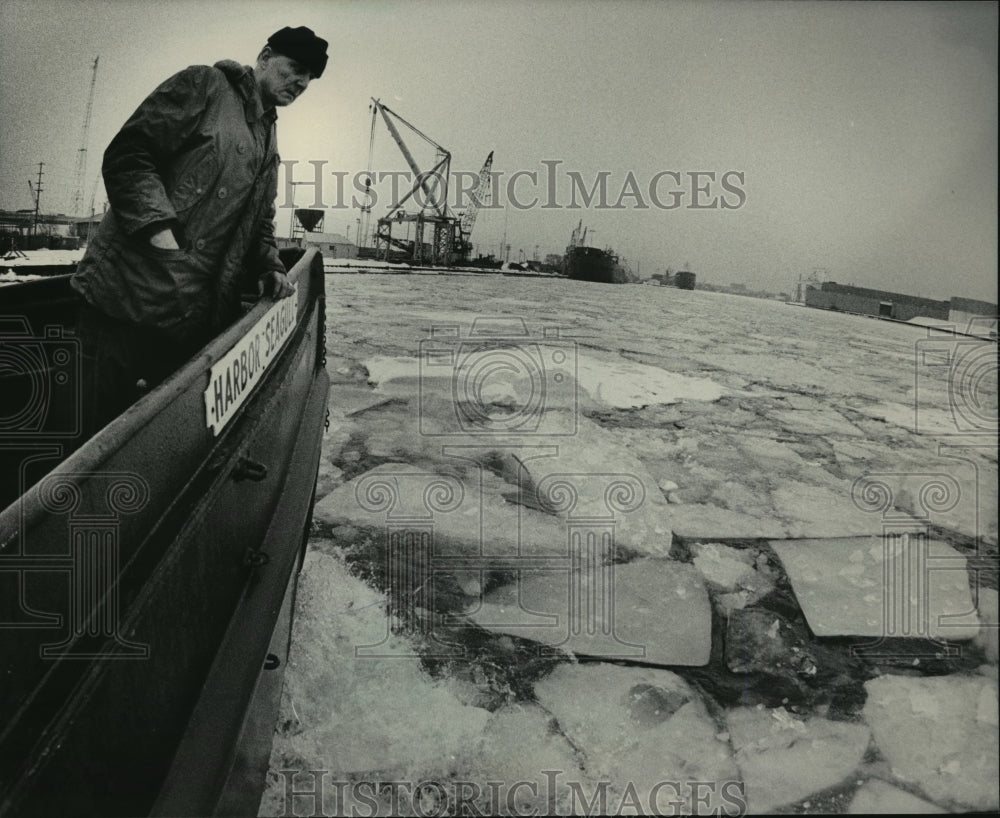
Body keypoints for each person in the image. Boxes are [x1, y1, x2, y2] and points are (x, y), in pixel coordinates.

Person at [70, 26, 328, 437]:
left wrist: (269, 264)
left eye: (309, 78)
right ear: (264, 57)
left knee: (148, 440)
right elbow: (130, 156)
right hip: (126, 299)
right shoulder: (204, 85)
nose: (300, 82)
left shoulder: (267, 132)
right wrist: (161, 237)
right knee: (95, 438)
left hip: (190, 315)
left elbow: (259, 217)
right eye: (294, 68)